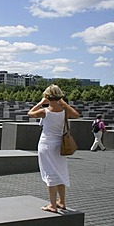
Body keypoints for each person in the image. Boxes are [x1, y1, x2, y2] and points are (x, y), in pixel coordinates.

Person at [28, 84, 79, 213]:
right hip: (60, 145)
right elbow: (76, 115)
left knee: (50, 173)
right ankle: (61, 202)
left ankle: (52, 205)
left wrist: (40, 103)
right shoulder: (64, 111)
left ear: (47, 97)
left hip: (46, 145)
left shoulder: (44, 111)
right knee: (60, 172)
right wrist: (64, 103)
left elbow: (30, 113)